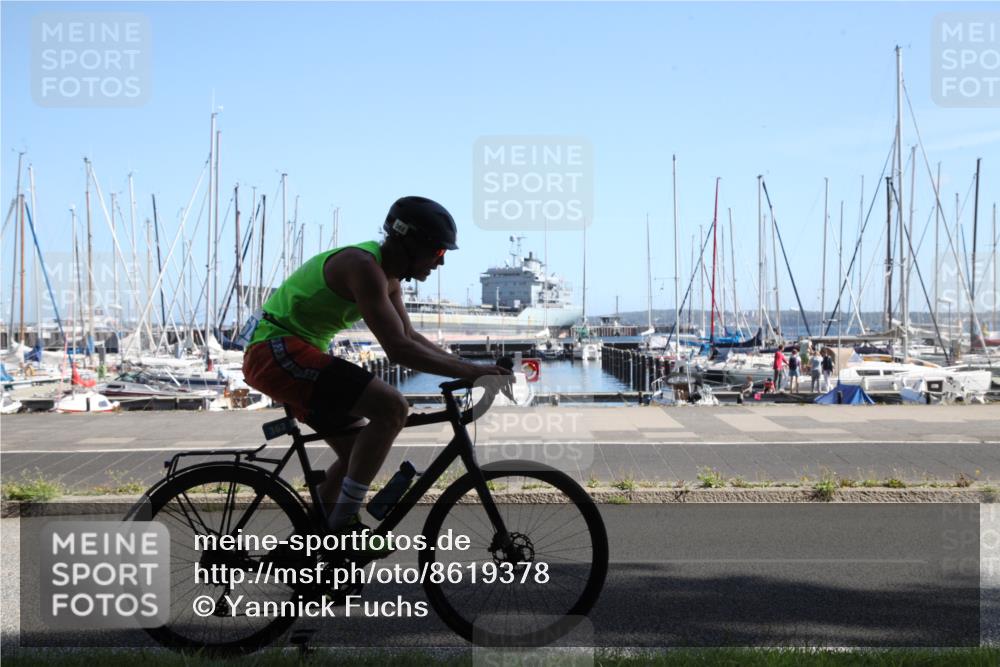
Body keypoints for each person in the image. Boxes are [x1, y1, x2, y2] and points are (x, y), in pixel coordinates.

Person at [242, 196, 511, 538]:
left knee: (358, 453)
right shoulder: (363, 267)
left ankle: (315, 544)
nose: (440, 263)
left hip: (292, 353)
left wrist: (473, 366)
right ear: (409, 242)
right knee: (393, 407)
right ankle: (345, 522)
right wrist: (471, 374)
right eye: (438, 252)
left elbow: (410, 336)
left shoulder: (389, 277)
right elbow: (398, 350)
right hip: (275, 351)